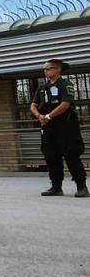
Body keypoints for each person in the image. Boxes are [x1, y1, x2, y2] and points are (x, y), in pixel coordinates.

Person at [31, 59, 87, 197]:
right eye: (44, 69)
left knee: (71, 154)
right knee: (51, 156)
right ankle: (56, 187)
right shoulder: (42, 88)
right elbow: (33, 105)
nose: (45, 71)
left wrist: (49, 116)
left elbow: (65, 104)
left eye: (48, 68)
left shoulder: (65, 84)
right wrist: (39, 116)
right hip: (48, 127)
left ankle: (82, 187)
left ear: (58, 69)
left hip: (66, 126)